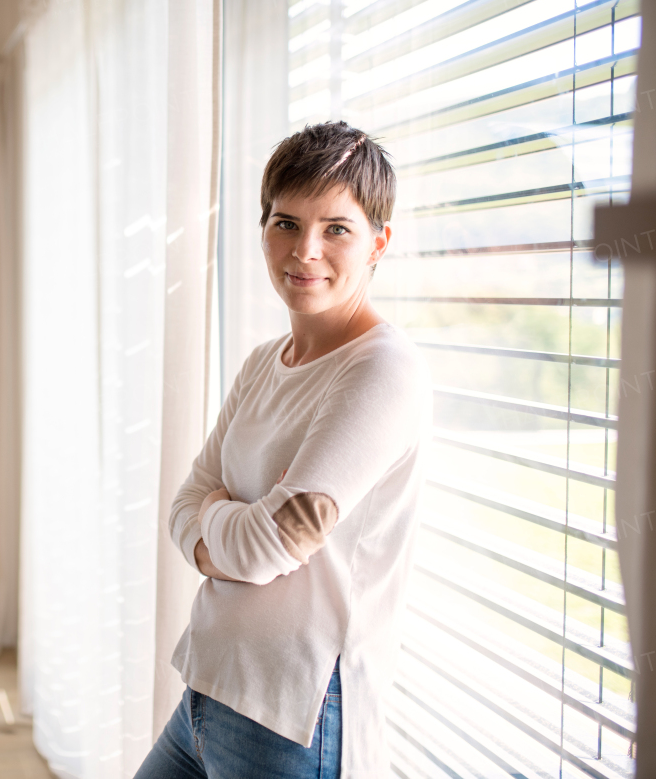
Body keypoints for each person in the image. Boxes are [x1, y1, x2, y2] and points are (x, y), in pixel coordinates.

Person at [134, 121, 432, 779]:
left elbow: (271, 544)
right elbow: (184, 503)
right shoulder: (263, 363)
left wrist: (216, 519)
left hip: (294, 719)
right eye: (286, 223)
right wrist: (223, 518)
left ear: (379, 241)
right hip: (208, 691)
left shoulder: (381, 371)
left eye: (337, 229)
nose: (306, 249)